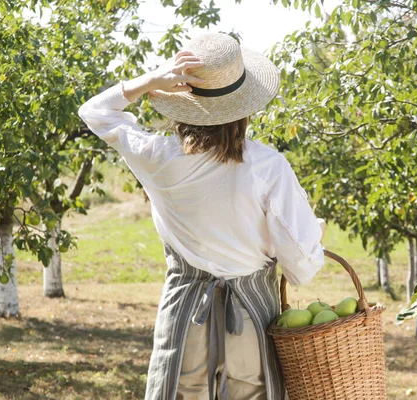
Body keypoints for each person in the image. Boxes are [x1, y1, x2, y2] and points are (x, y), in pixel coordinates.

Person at [78, 33, 326, 400]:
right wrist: (315, 235)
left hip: (185, 315)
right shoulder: (267, 165)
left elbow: (94, 112)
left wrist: (150, 81)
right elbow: (302, 262)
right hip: (252, 318)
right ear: (243, 108)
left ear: (181, 103)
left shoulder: (156, 157)